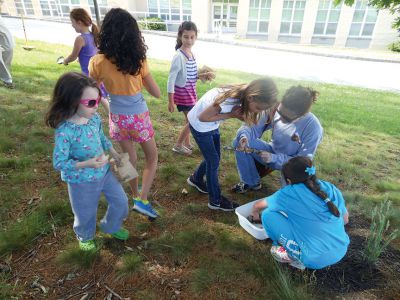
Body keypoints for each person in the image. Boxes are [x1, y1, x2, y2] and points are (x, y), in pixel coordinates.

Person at [89, 8, 161, 218]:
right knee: (152, 157)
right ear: (133, 35)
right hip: (139, 117)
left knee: (128, 159)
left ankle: (134, 193)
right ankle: (142, 199)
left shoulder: (97, 62)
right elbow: (156, 92)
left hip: (117, 118)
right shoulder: (139, 60)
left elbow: (92, 90)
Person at [45, 72, 129, 251]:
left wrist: (114, 152)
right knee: (85, 212)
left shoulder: (94, 119)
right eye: (91, 103)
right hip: (80, 180)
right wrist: (86, 164)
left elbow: (101, 137)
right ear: (72, 101)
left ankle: (111, 226)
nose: (96, 106)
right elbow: (59, 162)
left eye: (98, 100)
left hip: (104, 172)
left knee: (121, 201)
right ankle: (85, 236)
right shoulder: (65, 131)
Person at [187, 78, 278, 211]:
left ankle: (196, 179)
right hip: (200, 126)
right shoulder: (227, 101)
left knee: (214, 158)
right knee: (213, 162)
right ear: (252, 98)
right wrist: (231, 115)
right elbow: (203, 117)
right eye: (258, 108)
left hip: (210, 125)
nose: (257, 112)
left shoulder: (245, 93)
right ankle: (215, 201)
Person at [250, 156, 350, 270]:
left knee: (268, 215)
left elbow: (259, 205)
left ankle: (293, 256)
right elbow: (345, 220)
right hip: (341, 249)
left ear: (289, 181)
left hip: (313, 259)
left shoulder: (288, 193)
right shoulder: (331, 188)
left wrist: (255, 212)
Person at [232, 85, 323, 193]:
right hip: (271, 150)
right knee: (238, 141)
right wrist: (244, 136)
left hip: (291, 164)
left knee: (288, 196)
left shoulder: (313, 127)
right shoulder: (275, 108)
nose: (280, 118)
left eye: (287, 118)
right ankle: (251, 182)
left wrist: (274, 158)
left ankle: (287, 196)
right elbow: (252, 127)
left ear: (301, 115)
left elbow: (302, 162)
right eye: (280, 113)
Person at [62, 8, 108, 109]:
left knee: (100, 96)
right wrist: (81, 58)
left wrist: (65, 61)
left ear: (79, 22)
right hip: (98, 70)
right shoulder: (93, 35)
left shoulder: (80, 39)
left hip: (89, 73)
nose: (72, 25)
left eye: (72, 22)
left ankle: (112, 118)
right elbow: (92, 52)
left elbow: (73, 56)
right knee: (99, 94)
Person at [167, 21, 198, 155]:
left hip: (191, 93)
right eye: (186, 37)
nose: (189, 40)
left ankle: (187, 143)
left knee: (189, 119)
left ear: (196, 37)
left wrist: (201, 76)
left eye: (192, 37)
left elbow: (190, 75)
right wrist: (170, 100)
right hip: (183, 95)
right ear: (180, 36)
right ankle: (178, 145)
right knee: (193, 120)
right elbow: (171, 79)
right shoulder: (178, 56)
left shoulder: (191, 53)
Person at [0, 16, 15, 89]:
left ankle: (8, 81)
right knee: (5, 62)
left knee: (5, 63)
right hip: (6, 43)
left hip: (6, 43)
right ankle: (8, 81)